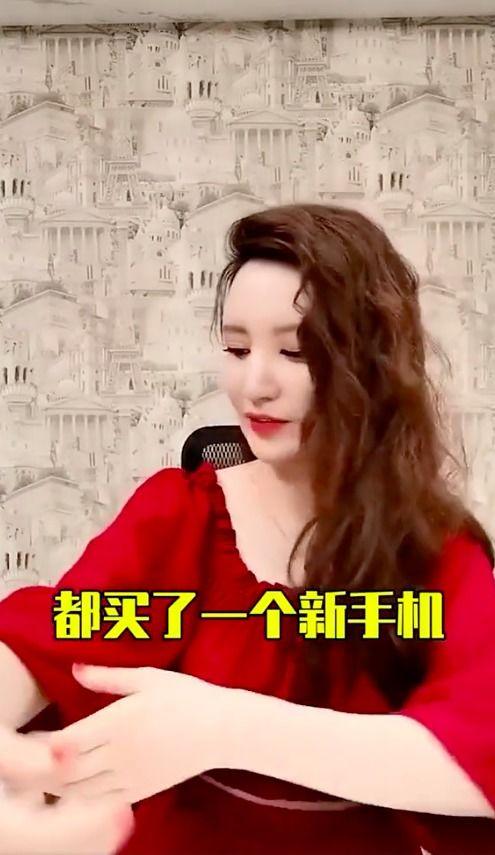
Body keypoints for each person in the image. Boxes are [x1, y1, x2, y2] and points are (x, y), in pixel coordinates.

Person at [0, 202, 494, 855]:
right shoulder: (180, 515)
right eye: (236, 348)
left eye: (294, 352)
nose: (253, 384)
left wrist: (221, 728)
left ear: (373, 364)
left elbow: (477, 753)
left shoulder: (434, 552)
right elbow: (52, 636)